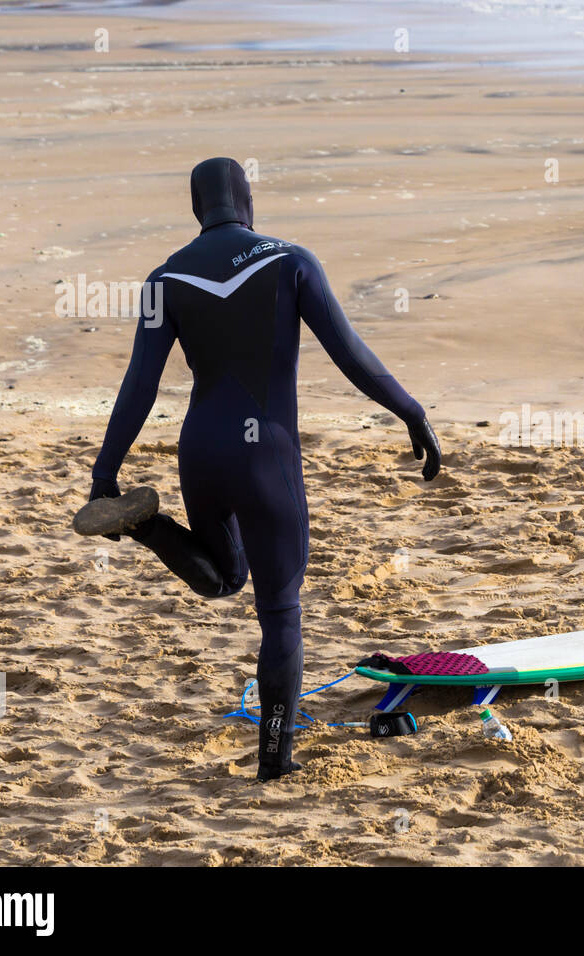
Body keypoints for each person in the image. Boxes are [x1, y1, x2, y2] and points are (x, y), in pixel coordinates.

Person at [72, 157, 440, 781]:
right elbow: (352, 356)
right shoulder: (292, 261)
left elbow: (140, 384)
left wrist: (105, 474)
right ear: (247, 200)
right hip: (265, 453)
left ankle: (145, 526)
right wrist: (411, 412)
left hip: (202, 451)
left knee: (223, 579)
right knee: (280, 609)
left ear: (196, 209)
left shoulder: (164, 280)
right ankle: (275, 759)